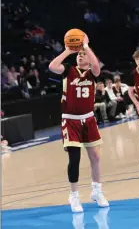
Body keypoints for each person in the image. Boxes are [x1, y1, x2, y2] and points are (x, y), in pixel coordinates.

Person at [49, 34, 109, 213]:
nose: (80, 56)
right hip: (70, 120)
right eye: (79, 54)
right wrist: (68, 50)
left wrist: (86, 46)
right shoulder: (68, 70)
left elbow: (97, 66)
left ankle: (97, 191)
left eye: (83, 54)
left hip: (89, 119)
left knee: (96, 157)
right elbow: (52, 66)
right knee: (74, 159)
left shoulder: (92, 73)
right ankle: (74, 196)